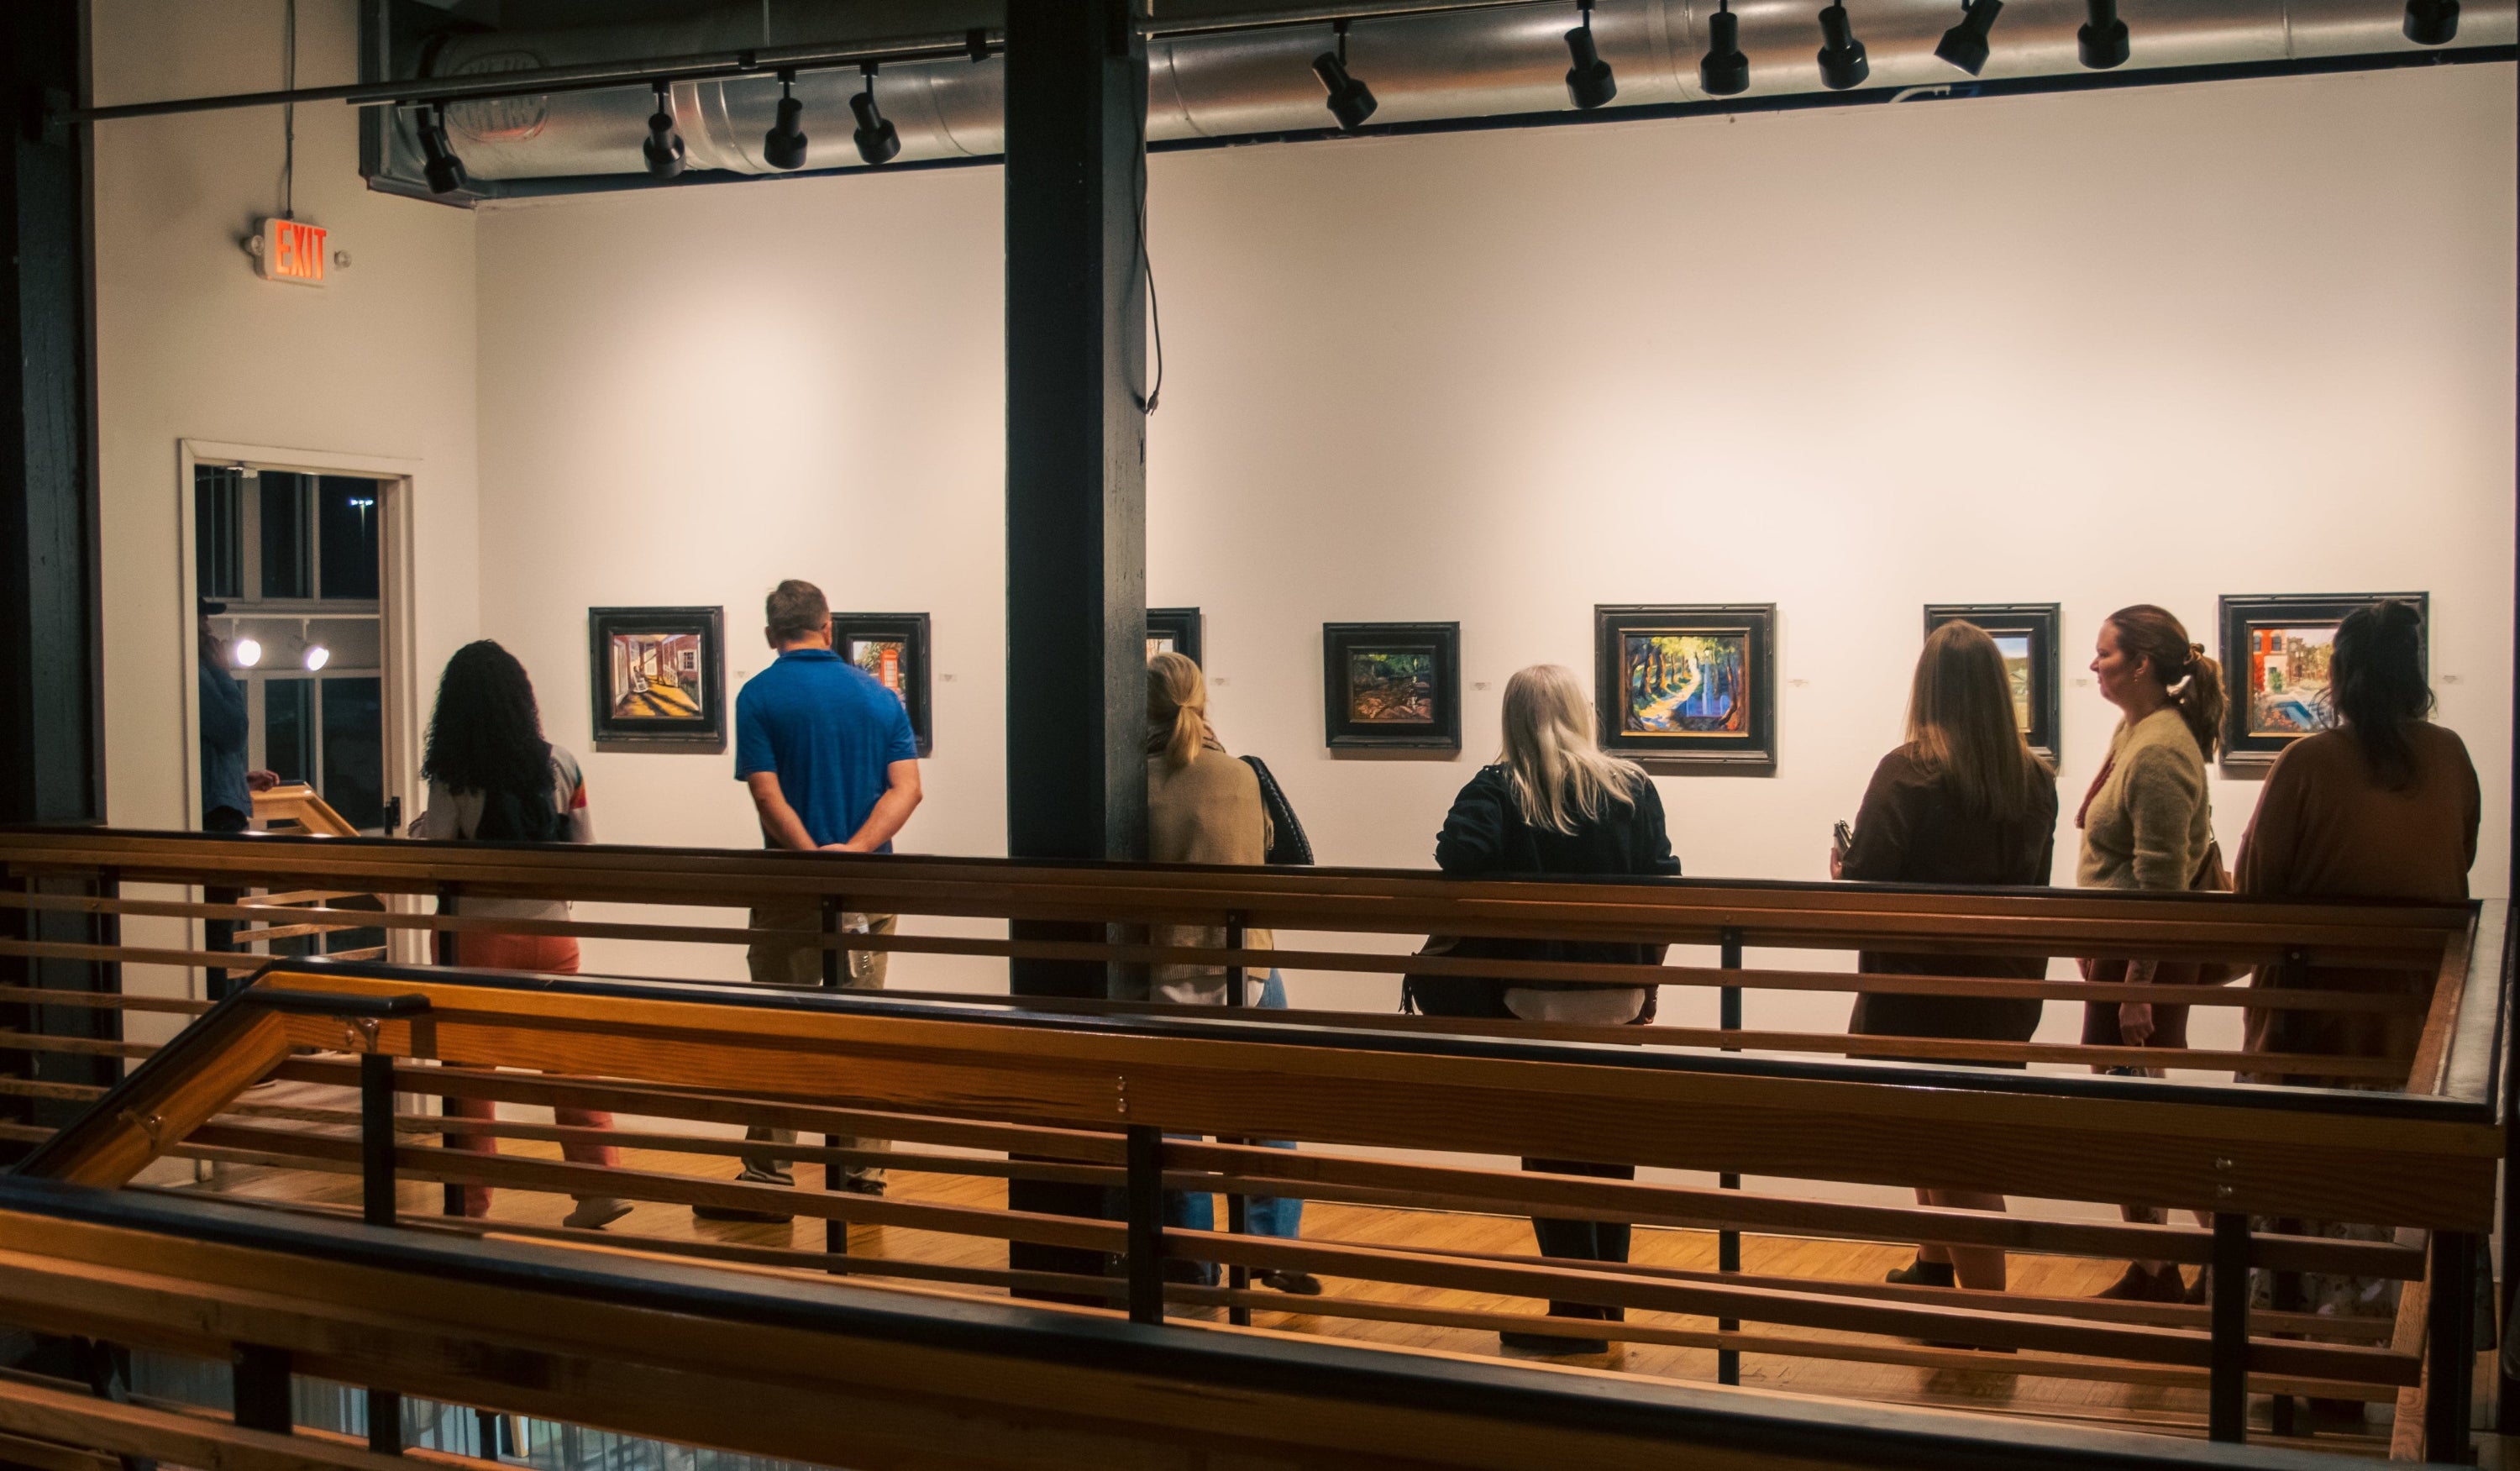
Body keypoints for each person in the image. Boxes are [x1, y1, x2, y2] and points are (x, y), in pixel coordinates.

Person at [2234, 602, 2476, 1382]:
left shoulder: (2306, 763)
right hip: (2414, 1022)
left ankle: (2296, 1358)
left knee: (2302, 1186)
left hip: (2312, 1022)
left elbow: (2257, 889)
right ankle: (2391, 1356)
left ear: (2336, 674)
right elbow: (2457, 861)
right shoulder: (2452, 757)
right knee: (2383, 1190)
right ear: (2415, 674)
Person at [1432, 665, 1679, 1355]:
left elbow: (1458, 855)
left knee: (1549, 1149)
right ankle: (1605, 1303)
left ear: (1511, 721)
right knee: (1611, 1148)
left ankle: (1573, 1311)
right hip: (1618, 999)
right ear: (1582, 712)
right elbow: (1665, 886)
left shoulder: (1499, 787)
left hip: (1533, 1000)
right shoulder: (1632, 786)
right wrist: (1649, 986)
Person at [1834, 621, 2057, 1295]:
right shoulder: (2033, 779)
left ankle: (1990, 1317)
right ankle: (1935, 1266)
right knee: (1948, 1137)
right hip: (2001, 991)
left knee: (1956, 1153)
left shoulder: (1908, 771)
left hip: (1914, 988)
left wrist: (1843, 869)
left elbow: (1869, 879)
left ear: (1927, 687)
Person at [701, 580, 922, 1224]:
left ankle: (768, 1178)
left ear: (772, 634)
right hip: (870, 892)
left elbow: (769, 798)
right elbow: (906, 790)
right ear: (829, 628)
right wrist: (851, 855)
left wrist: (811, 863)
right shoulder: (879, 696)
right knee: (860, 1029)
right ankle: (862, 1180)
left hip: (788, 891)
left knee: (780, 1027)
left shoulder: (759, 695)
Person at [410, 640, 625, 1231]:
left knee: (471, 1079)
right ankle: (598, 1184)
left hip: (477, 935)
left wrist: (420, 829)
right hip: (554, 931)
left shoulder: (454, 774)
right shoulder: (562, 762)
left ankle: (470, 1204)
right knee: (569, 1062)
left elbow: (442, 854)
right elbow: (584, 848)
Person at [1138, 652, 1315, 1294]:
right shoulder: (1242, 774)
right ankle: (1271, 1244)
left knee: (1176, 1116)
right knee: (1270, 1111)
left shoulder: (1135, 781)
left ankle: (1192, 1254)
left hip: (1164, 970)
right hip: (1248, 968)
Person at [2076, 604, 2224, 1303]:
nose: (2094, 664)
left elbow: (2162, 885)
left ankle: (2219, 1259)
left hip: (2147, 960)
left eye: (2105, 653)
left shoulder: (2162, 748)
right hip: (2124, 954)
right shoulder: (2136, 729)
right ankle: (2157, 1266)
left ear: (2141, 664)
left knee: (2143, 1121)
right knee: (2127, 1116)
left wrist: (2136, 987)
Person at [197, 602, 277, 1001]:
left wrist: (240, 779)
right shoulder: (200, 673)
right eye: (204, 618)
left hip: (219, 809)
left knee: (219, 933)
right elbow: (231, 729)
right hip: (218, 821)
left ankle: (212, 1009)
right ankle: (212, 1015)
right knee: (217, 935)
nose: (211, 629)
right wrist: (223, 671)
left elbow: (205, 749)